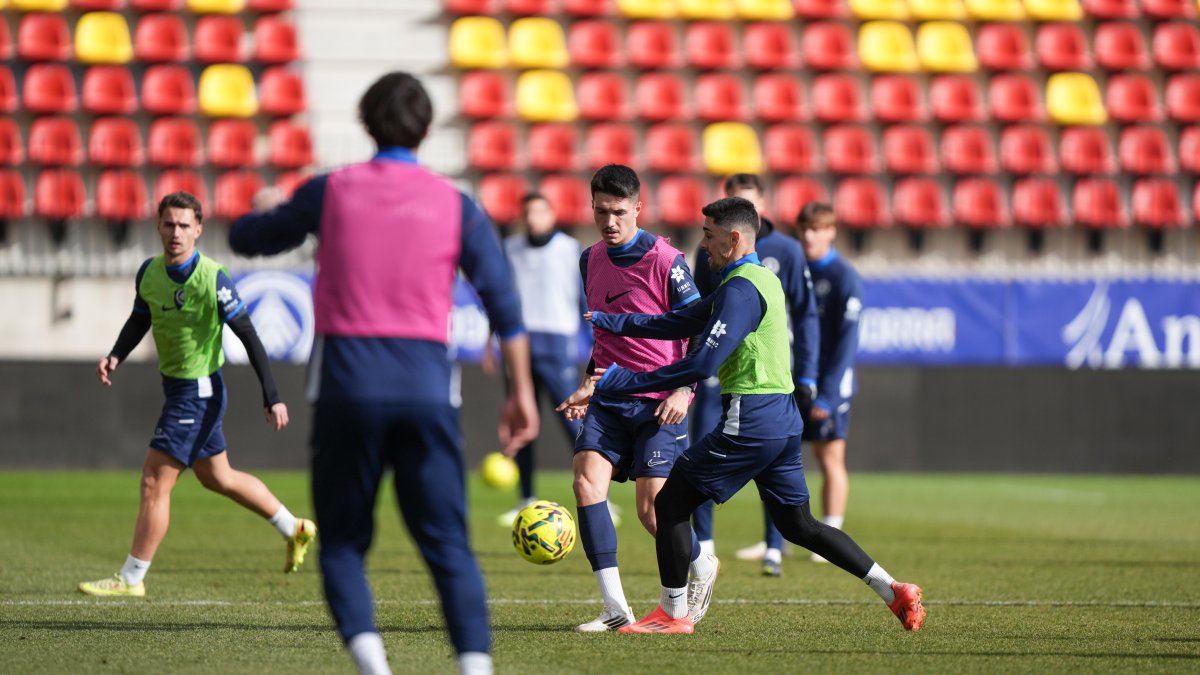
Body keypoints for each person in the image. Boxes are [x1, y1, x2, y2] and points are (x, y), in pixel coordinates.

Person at [229, 72, 539, 675]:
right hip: (426, 388)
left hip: (347, 386)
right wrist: (520, 391)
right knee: (448, 545)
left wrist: (269, 209)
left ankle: (376, 668)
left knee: (344, 544)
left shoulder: (330, 191)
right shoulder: (458, 207)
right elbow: (505, 306)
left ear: (366, 123)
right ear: (427, 130)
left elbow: (250, 240)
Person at [570, 197, 924, 634]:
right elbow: (681, 321)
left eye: (709, 235)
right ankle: (893, 589)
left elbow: (699, 365)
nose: (703, 243)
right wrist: (613, 321)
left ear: (733, 238)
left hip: (750, 420)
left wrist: (621, 381)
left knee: (670, 504)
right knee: (800, 524)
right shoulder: (755, 278)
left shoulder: (739, 290)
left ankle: (672, 615)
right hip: (783, 420)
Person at [79, 192, 316, 598]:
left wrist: (272, 395)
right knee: (219, 478)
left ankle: (131, 578)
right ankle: (293, 527)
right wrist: (116, 354)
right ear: (158, 226)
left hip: (199, 393)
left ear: (199, 230)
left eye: (185, 225)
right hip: (178, 389)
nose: (176, 233)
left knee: (154, 480)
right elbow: (140, 318)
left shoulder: (212, 276)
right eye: (169, 224)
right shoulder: (149, 273)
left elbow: (248, 334)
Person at [554, 164, 719, 633]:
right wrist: (589, 383)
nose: (609, 221)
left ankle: (701, 563)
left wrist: (684, 389)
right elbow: (602, 335)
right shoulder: (589, 259)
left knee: (652, 510)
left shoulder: (666, 260)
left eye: (619, 212)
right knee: (586, 483)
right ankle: (614, 609)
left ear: (638, 209)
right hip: (609, 395)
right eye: (601, 211)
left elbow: (698, 329)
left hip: (660, 399)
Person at [688, 173, 820, 577]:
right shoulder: (708, 252)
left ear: (758, 208)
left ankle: (773, 548)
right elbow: (696, 311)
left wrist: (809, 374)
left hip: (762, 379)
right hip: (720, 375)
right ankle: (705, 547)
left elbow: (806, 314)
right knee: (699, 459)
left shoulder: (784, 254)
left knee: (686, 484)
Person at [496, 193, 589, 525]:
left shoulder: (569, 249)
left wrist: (594, 343)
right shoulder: (511, 249)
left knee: (573, 421)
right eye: (528, 213)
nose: (533, 219)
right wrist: (490, 340)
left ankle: (594, 490)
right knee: (523, 422)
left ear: (551, 215)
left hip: (557, 342)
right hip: (520, 344)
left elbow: (583, 297)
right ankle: (525, 498)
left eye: (539, 212)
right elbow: (503, 299)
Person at [793, 202, 863, 564]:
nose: (809, 235)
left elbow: (846, 343)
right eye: (804, 228)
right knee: (783, 454)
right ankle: (780, 536)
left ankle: (831, 535)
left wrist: (831, 393)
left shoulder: (843, 276)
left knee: (829, 456)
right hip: (796, 379)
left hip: (828, 386)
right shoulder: (797, 270)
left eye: (817, 229)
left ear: (831, 231)